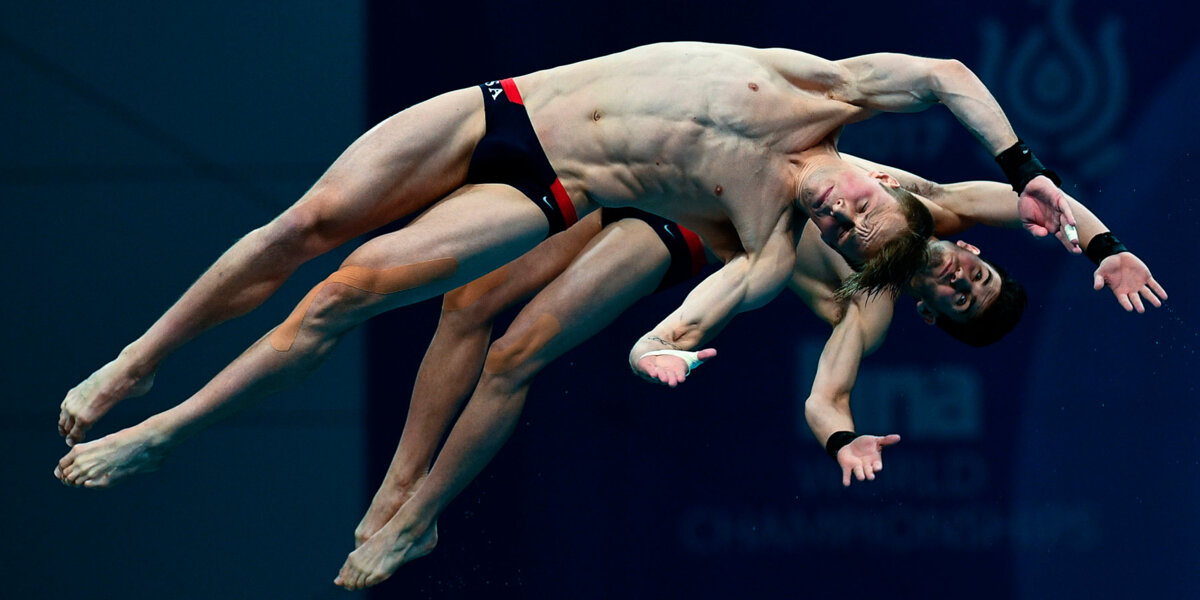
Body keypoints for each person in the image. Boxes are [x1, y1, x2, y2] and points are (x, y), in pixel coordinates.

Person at [54, 161, 1152, 590]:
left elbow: (824, 395)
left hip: (686, 242)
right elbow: (1037, 194)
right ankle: (398, 498)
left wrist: (841, 439)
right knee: (464, 303)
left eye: (954, 296)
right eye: (973, 275)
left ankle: (421, 509)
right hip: (658, 186)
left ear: (928, 306)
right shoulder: (950, 202)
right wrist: (1102, 251)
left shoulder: (870, 297)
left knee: (522, 345)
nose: (958, 273)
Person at [57, 42, 1077, 447]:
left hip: (560, 194)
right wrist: (1073, 214)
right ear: (892, 180)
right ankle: (137, 363)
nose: (843, 211)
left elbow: (750, 341)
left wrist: (659, 350)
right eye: (864, 203)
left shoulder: (781, 246)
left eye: (846, 230)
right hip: (503, 111)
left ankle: (167, 430)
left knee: (347, 297)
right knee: (305, 230)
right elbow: (949, 79)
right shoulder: (840, 95)